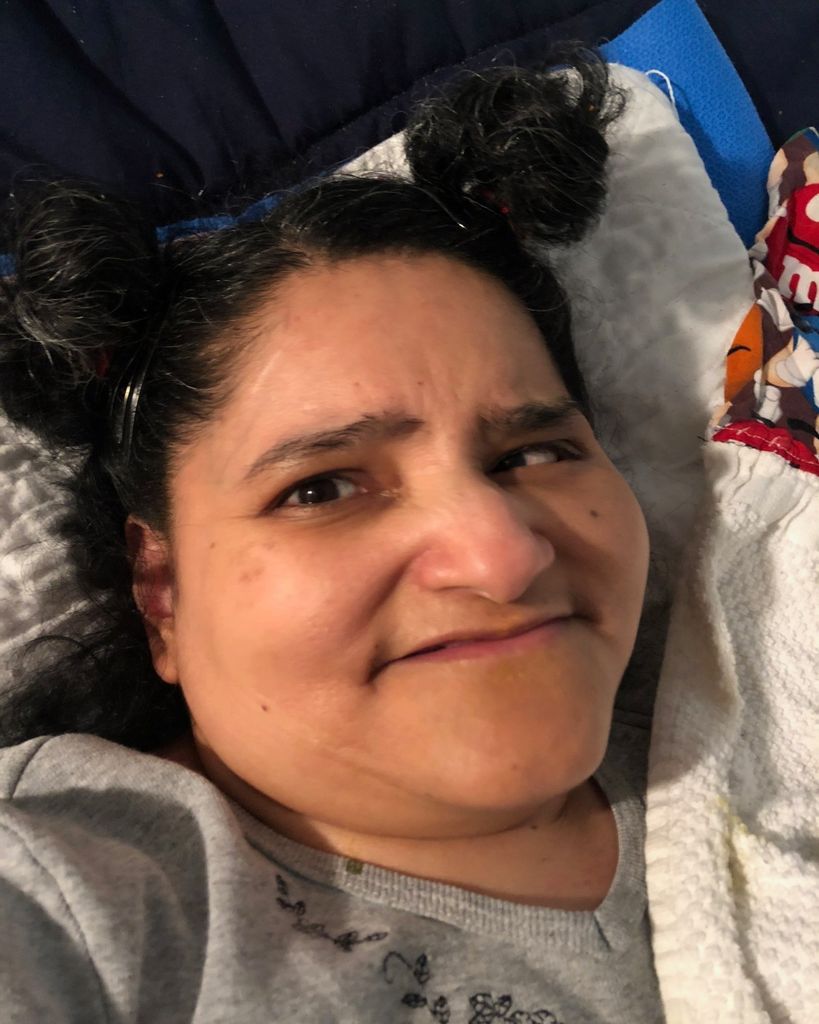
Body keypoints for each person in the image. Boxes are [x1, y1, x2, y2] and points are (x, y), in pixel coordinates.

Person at [0, 51, 665, 1022]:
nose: (502, 555)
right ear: (161, 592)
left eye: (532, 453)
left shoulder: (755, 716)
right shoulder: (70, 887)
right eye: (321, 488)